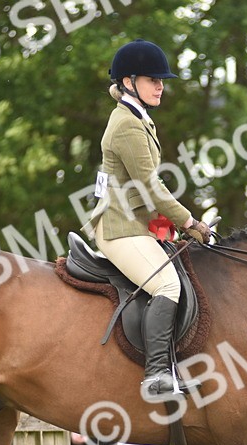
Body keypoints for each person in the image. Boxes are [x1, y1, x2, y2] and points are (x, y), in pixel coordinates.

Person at [88, 38, 212, 401]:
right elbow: (150, 186)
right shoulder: (127, 125)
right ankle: (156, 375)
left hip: (133, 222)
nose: (160, 86)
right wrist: (190, 223)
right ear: (129, 82)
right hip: (119, 227)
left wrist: (167, 224)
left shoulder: (137, 119)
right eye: (152, 80)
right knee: (168, 286)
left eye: (161, 81)